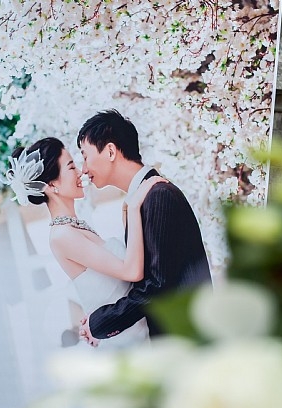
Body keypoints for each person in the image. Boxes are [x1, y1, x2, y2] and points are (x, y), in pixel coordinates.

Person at [6, 137, 166, 348]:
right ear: (52, 185)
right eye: (71, 167)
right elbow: (131, 272)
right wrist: (134, 207)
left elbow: (105, 286)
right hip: (128, 345)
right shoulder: (63, 236)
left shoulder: (75, 227)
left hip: (135, 331)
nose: (80, 172)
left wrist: (128, 211)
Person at [76, 110, 212, 346]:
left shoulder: (158, 196)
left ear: (110, 151)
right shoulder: (142, 199)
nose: (83, 169)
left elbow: (157, 286)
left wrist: (100, 323)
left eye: (85, 156)